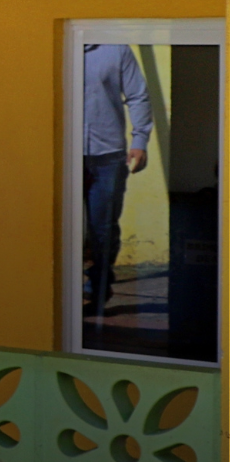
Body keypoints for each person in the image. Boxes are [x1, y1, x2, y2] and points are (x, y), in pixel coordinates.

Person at [83, 44, 152, 310]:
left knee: (103, 228)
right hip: (64, 154)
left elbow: (137, 95)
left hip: (108, 155)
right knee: (60, 226)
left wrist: (140, 141)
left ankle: (99, 288)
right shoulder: (56, 46)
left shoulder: (116, 49)